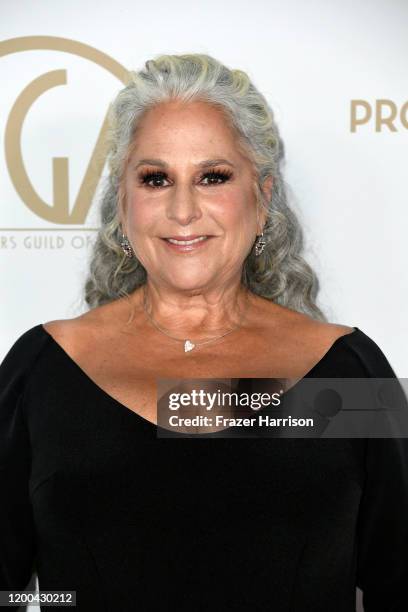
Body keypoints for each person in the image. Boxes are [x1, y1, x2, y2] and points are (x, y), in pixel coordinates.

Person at [0, 53, 407, 611]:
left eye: (213, 177)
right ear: (123, 203)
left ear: (262, 200)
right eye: (155, 178)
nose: (183, 209)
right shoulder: (43, 369)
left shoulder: (345, 369)